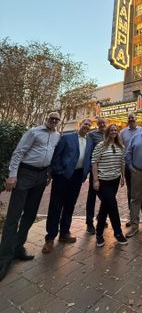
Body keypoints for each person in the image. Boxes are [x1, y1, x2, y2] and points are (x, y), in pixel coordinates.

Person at [0, 112, 61, 281]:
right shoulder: (33, 132)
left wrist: (49, 172)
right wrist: (12, 175)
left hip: (41, 177)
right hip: (25, 174)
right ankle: (4, 258)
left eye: (57, 119)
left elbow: (51, 155)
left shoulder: (57, 135)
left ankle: (18, 248)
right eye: (52, 118)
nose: (54, 121)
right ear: (46, 119)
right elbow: (18, 152)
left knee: (30, 214)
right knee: (13, 215)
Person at [42, 118, 93, 254]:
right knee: (55, 206)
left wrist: (85, 173)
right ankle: (50, 237)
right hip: (62, 177)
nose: (86, 126)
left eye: (89, 125)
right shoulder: (67, 138)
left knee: (70, 205)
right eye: (85, 124)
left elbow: (89, 158)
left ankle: (64, 233)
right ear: (79, 125)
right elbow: (56, 155)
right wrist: (58, 171)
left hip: (77, 177)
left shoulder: (90, 141)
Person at [92, 124, 127, 247]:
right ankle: (118, 232)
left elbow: (122, 162)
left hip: (115, 180)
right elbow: (94, 162)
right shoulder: (100, 146)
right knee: (112, 204)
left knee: (105, 206)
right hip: (103, 181)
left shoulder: (120, 146)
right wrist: (95, 180)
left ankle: (99, 233)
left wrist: (123, 176)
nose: (113, 132)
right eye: (111, 130)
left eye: (115, 130)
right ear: (107, 132)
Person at [86, 117, 108, 234]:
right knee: (92, 197)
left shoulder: (111, 134)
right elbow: (88, 152)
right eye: (100, 123)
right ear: (97, 124)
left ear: (107, 123)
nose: (102, 124)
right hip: (95, 170)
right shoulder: (92, 135)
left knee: (106, 197)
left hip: (107, 171)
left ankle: (101, 217)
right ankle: (89, 223)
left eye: (104, 122)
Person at [120, 112, 142, 226]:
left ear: (136, 119)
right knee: (130, 191)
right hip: (128, 166)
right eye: (129, 118)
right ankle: (132, 216)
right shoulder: (122, 132)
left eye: (132, 117)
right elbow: (119, 147)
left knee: (141, 190)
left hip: (140, 165)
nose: (131, 119)